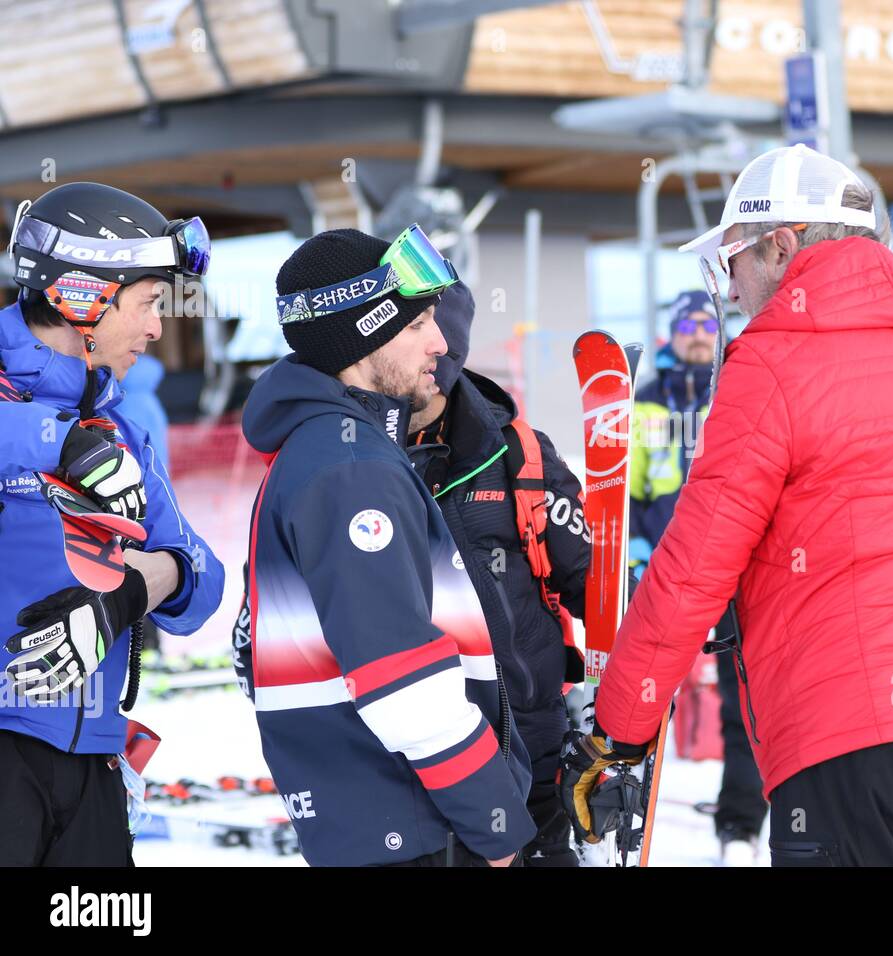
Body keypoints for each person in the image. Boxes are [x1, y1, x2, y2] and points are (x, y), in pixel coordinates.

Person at [561, 143, 893, 866]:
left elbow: (695, 569)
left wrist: (620, 731)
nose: (731, 292)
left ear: (783, 244)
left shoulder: (770, 365)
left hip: (852, 745)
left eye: (734, 262)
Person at [239, 227, 534, 867]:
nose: (442, 342)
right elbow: (404, 684)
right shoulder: (350, 467)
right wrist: (497, 826)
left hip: (393, 818)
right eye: (419, 323)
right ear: (366, 330)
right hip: (412, 822)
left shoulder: (329, 451)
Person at [0, 182, 226, 865]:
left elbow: (203, 581)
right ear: (82, 298)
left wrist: (130, 594)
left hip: (93, 769)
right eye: (149, 303)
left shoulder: (120, 424)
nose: (158, 328)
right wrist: (55, 441)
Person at [403, 279, 589, 866]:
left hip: (527, 751)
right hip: (404, 764)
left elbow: (593, 582)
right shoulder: (347, 459)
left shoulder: (520, 456)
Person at [629, 290, 766, 864]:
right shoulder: (648, 403)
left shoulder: (738, 384)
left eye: (706, 325)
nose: (696, 335)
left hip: (733, 568)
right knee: (643, 691)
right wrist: (635, 552)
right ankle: (624, 806)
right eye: (686, 324)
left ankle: (739, 824)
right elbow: (626, 489)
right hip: (666, 570)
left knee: (747, 701)